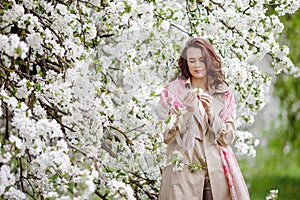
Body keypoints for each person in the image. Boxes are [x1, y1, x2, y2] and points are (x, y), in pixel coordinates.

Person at [157, 38, 250, 200]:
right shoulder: (172, 91)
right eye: (192, 61)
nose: (197, 65)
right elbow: (164, 135)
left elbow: (227, 138)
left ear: (209, 61)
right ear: (186, 63)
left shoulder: (223, 93)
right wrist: (185, 112)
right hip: (183, 173)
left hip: (216, 172)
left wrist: (211, 115)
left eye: (202, 60)